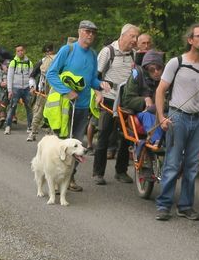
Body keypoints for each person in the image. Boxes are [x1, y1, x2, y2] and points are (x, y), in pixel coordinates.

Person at [154, 23, 199, 222]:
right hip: (178, 118)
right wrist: (161, 117)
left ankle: (185, 206)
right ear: (190, 40)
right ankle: (164, 205)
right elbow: (160, 91)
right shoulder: (176, 63)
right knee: (173, 163)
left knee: (192, 165)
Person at [46, 20, 110, 191]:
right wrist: (66, 91)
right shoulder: (68, 50)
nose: (90, 35)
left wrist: (100, 85)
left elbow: (91, 80)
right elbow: (51, 74)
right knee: (61, 143)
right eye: (87, 31)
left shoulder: (93, 54)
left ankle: (69, 179)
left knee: (76, 145)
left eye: (93, 32)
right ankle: (54, 179)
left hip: (81, 107)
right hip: (64, 106)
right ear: (80, 32)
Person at [92, 23, 140, 185]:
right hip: (109, 98)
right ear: (123, 35)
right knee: (104, 135)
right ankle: (98, 173)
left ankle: (121, 171)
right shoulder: (108, 51)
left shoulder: (134, 54)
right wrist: (98, 94)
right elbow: (95, 76)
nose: (135, 40)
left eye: (136, 37)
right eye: (132, 36)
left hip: (126, 100)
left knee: (127, 137)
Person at [122, 50, 166, 146]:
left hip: (161, 111)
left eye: (159, 68)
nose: (156, 72)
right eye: (152, 70)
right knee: (148, 116)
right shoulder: (137, 75)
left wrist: (158, 106)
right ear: (146, 69)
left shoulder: (167, 78)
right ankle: (156, 141)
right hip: (140, 113)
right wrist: (144, 100)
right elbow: (127, 100)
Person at [28, 44, 56, 141]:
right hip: (43, 91)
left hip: (54, 92)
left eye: (50, 51)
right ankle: (33, 132)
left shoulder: (58, 60)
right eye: (47, 51)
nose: (49, 53)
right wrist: (32, 87)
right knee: (38, 112)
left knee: (53, 113)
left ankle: (51, 133)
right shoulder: (42, 62)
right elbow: (32, 76)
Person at [4, 45, 34, 136]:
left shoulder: (29, 63)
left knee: (29, 107)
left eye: (21, 50)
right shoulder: (13, 62)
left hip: (26, 88)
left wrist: (32, 87)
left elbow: (32, 76)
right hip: (16, 88)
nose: (20, 52)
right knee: (12, 107)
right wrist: (10, 90)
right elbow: (10, 77)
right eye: (18, 51)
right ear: (16, 52)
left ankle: (30, 126)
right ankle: (8, 126)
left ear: (24, 51)